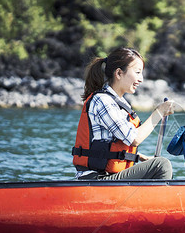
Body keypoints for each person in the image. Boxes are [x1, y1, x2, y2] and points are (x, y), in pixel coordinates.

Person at [72, 47, 174, 180]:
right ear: (119, 73)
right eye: (137, 72)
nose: (141, 79)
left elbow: (112, 145)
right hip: (96, 180)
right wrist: (159, 112)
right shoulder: (103, 101)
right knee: (161, 165)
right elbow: (134, 139)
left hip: (111, 177)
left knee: (156, 165)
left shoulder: (119, 103)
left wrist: (138, 157)